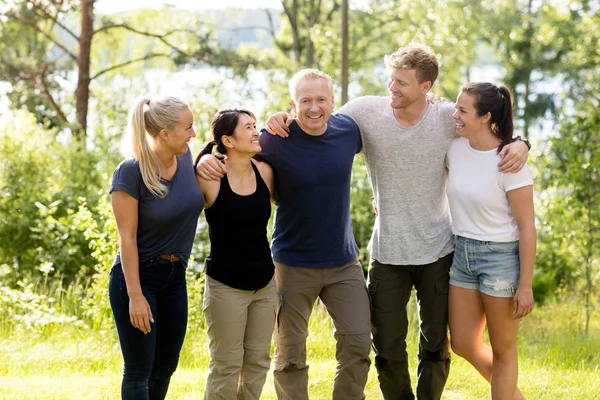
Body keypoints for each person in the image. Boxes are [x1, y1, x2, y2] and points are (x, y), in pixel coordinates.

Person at [264, 43, 530, 400]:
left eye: (402, 83)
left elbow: (488, 131)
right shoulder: (364, 112)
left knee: (435, 345)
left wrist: (522, 143)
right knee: (387, 348)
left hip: (439, 251)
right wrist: (280, 116)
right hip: (387, 252)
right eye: (391, 80)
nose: (392, 88)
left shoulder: (449, 118)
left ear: (426, 87)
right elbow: (317, 122)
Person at [196, 69, 372, 400]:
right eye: (305, 101)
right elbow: (232, 151)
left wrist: (430, 101)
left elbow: (390, 138)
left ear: (334, 101)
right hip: (291, 265)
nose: (314, 107)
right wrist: (205, 159)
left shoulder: (348, 130)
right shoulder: (274, 139)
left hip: (343, 262)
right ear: (293, 104)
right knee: (289, 355)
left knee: (358, 341)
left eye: (322, 99)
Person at [108, 96, 204, 400]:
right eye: (187, 127)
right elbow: (127, 238)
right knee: (139, 369)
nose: (193, 133)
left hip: (175, 278)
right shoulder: (130, 173)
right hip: (137, 279)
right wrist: (135, 296)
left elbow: (232, 136)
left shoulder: (188, 158)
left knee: (166, 366)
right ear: (165, 134)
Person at [446, 83, 535, 400]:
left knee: (504, 350)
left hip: (500, 259)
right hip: (462, 254)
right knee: (462, 343)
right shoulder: (455, 147)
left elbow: (527, 228)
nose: (454, 115)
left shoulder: (509, 162)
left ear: (485, 117)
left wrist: (525, 285)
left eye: (462, 110)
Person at [194, 109, 277, 400]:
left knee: (257, 362)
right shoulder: (209, 176)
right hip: (225, 286)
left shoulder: (264, 171)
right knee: (226, 365)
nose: (257, 132)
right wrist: (202, 159)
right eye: (249, 127)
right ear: (228, 140)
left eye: (256, 125)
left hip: (265, 285)